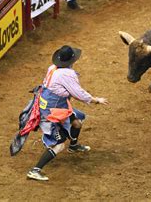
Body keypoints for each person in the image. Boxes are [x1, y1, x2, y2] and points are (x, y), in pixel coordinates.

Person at [26, 45, 108, 181]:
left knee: (77, 122)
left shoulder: (52, 68)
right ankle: (35, 170)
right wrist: (95, 100)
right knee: (59, 144)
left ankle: (74, 146)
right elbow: (78, 94)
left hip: (55, 106)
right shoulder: (66, 74)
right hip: (52, 112)